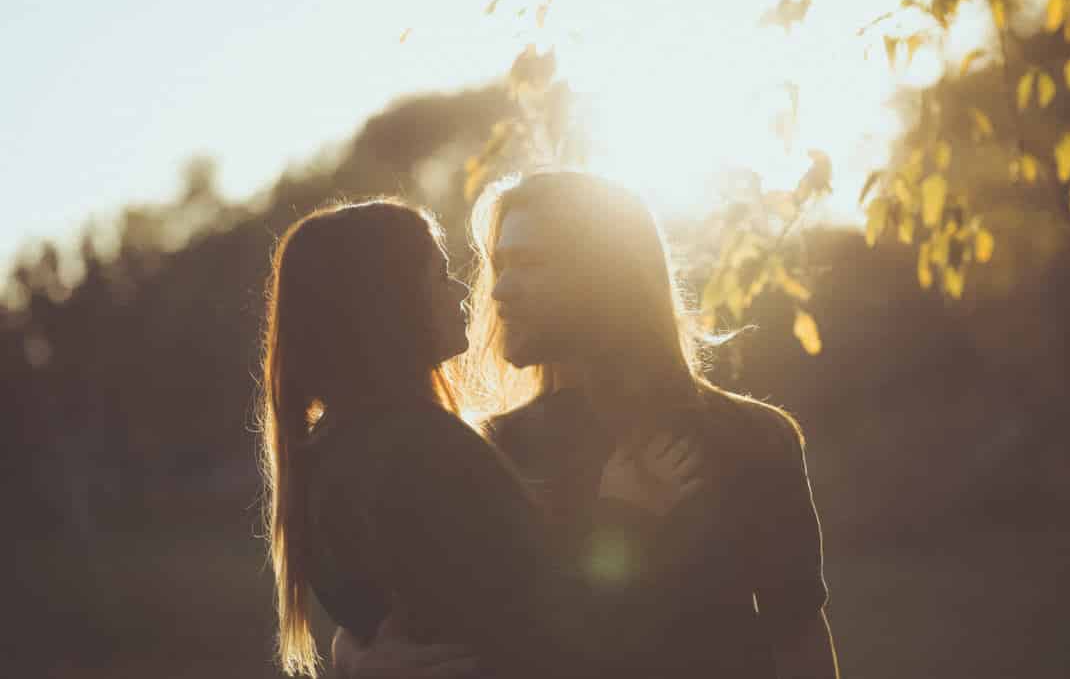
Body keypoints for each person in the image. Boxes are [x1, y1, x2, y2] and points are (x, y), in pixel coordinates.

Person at [337, 172, 839, 678]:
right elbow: (399, 613)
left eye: (530, 264)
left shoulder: (751, 438)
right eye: (500, 265)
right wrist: (357, 662)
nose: (500, 290)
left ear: (606, 278)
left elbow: (798, 631)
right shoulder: (483, 451)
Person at [257, 199, 702, 679]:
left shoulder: (326, 448)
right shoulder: (427, 453)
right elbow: (556, 637)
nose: (467, 292)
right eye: (441, 277)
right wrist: (625, 512)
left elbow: (428, 615)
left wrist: (352, 657)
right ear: (393, 304)